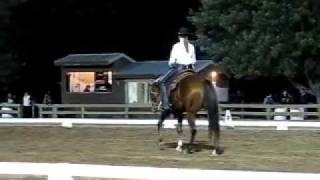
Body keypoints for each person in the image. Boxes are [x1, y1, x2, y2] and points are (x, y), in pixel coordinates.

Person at [158, 27, 196, 111]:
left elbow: (171, 61)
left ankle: (165, 105)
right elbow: (194, 61)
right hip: (190, 69)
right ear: (187, 36)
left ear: (179, 36)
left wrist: (171, 64)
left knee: (162, 82)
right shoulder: (192, 46)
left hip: (180, 68)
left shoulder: (176, 46)